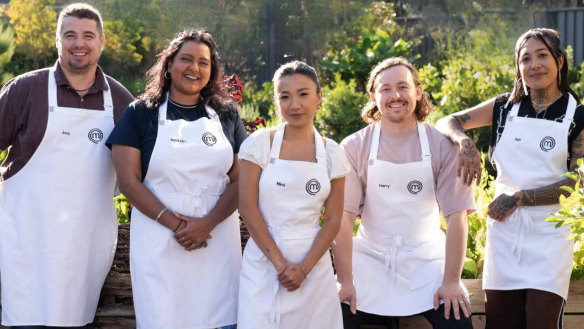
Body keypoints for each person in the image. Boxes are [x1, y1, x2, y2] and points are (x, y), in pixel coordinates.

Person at [436, 28, 584, 329]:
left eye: (542, 56)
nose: (534, 65)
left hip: (550, 238)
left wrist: (519, 198)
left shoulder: (578, 116)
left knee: (542, 323)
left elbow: (574, 183)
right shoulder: (504, 108)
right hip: (504, 235)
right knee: (500, 323)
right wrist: (465, 144)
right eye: (525, 59)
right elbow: (446, 121)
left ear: (559, 61)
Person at [0, 3, 133, 328]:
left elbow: (147, 165)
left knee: (75, 321)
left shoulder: (119, 100)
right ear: (57, 41)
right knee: (24, 320)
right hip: (25, 239)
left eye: (88, 35)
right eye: (69, 34)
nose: (79, 43)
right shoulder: (25, 90)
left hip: (85, 243)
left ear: (101, 41)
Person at [106, 29, 245, 329]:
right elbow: (129, 182)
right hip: (160, 241)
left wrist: (205, 224)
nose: (194, 68)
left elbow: (240, 180)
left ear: (212, 71)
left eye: (203, 62)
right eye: (186, 59)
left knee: (220, 319)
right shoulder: (139, 114)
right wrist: (179, 226)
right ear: (169, 65)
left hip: (217, 243)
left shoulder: (227, 116)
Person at [333, 57, 475, 329]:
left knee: (456, 322)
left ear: (418, 92)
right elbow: (343, 219)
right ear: (373, 97)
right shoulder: (353, 147)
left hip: (428, 263)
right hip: (369, 261)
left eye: (403, 87)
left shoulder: (442, 146)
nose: (395, 95)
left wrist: (451, 282)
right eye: (385, 89)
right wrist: (345, 280)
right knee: (338, 318)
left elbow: (457, 218)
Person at [237, 61, 349, 329]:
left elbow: (333, 219)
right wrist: (280, 265)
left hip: (314, 267)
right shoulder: (259, 144)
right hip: (263, 266)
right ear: (276, 101)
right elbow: (247, 207)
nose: (294, 105)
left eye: (303, 94)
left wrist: (303, 269)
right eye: (284, 97)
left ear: (319, 97)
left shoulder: (332, 153)